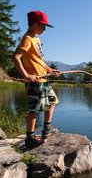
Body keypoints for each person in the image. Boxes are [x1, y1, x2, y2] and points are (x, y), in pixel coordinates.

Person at [12, 10, 60, 148]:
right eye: (43, 26)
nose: (45, 29)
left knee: (51, 102)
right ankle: (30, 138)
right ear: (34, 24)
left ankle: (47, 129)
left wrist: (49, 70)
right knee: (34, 110)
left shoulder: (37, 39)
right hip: (34, 81)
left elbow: (39, 59)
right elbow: (15, 57)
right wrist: (26, 75)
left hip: (43, 79)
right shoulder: (27, 38)